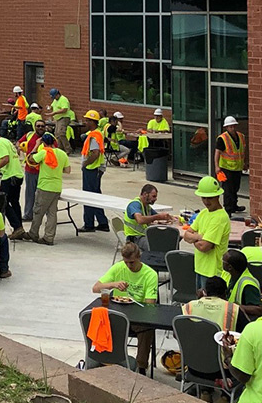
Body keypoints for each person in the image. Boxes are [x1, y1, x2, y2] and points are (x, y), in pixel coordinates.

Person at [93, 243, 159, 374]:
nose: (129, 266)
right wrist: (114, 284)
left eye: (132, 262)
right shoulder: (118, 268)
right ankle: (104, 359)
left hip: (138, 316)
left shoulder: (150, 274)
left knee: (147, 328)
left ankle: (141, 366)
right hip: (119, 314)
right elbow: (95, 288)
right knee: (99, 320)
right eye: (126, 262)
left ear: (139, 258)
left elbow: (149, 304)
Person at [182, 176, 232, 289]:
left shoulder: (220, 218)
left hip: (213, 272)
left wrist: (194, 238)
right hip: (200, 268)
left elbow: (204, 247)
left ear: (217, 195)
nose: (206, 201)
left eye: (210, 198)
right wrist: (200, 237)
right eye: (203, 197)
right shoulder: (203, 213)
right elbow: (186, 235)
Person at [25, 133, 71, 245]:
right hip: (56, 187)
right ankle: (49, 237)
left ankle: (33, 233)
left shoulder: (44, 152)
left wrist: (36, 146)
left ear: (44, 143)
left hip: (44, 187)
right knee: (52, 213)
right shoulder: (62, 154)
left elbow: (31, 160)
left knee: (38, 211)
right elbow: (67, 170)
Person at [0, 128, 25, 238]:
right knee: (14, 202)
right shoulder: (7, 141)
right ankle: (19, 227)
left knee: (3, 202)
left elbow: (5, 159)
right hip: (17, 175)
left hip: (10, 177)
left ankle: (16, 226)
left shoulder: (0, 144)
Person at [19, 120, 57, 222]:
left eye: (42, 126)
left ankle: (41, 215)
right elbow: (19, 143)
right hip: (30, 170)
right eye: (38, 126)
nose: (40, 128)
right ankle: (28, 214)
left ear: (45, 127)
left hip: (43, 171)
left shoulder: (49, 138)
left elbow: (55, 150)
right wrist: (21, 150)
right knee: (30, 194)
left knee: (43, 195)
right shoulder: (29, 135)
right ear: (34, 126)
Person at [78, 110, 109, 233]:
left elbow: (95, 153)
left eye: (87, 120)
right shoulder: (96, 134)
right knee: (96, 196)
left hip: (92, 169)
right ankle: (102, 223)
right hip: (95, 169)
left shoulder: (94, 136)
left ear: (93, 122)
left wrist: (85, 163)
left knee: (88, 197)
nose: (86, 122)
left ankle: (89, 224)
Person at [122, 184, 175, 249]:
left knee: (168, 240)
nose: (155, 199)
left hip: (143, 235)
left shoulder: (147, 207)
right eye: (153, 196)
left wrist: (171, 218)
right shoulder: (135, 204)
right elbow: (140, 220)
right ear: (145, 194)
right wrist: (157, 217)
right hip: (134, 238)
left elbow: (160, 217)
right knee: (157, 246)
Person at [214, 116, 247, 214]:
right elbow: (217, 153)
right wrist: (216, 166)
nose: (232, 128)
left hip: (237, 167)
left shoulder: (241, 136)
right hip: (226, 168)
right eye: (230, 126)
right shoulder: (222, 139)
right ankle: (228, 209)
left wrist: (245, 163)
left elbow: (242, 151)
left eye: (233, 126)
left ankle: (234, 205)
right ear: (226, 128)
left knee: (235, 188)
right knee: (228, 189)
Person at [224, 249, 262, 320]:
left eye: (223, 261)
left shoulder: (248, 285)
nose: (221, 262)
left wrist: (234, 307)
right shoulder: (228, 274)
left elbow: (260, 310)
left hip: (243, 322)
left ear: (230, 267)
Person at [48, 88, 75, 154]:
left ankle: (68, 149)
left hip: (64, 118)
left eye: (54, 97)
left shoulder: (63, 99)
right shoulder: (55, 100)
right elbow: (52, 106)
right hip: (58, 119)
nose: (54, 98)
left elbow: (64, 109)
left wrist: (54, 113)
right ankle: (60, 148)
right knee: (57, 134)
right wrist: (50, 108)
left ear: (58, 94)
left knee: (61, 133)